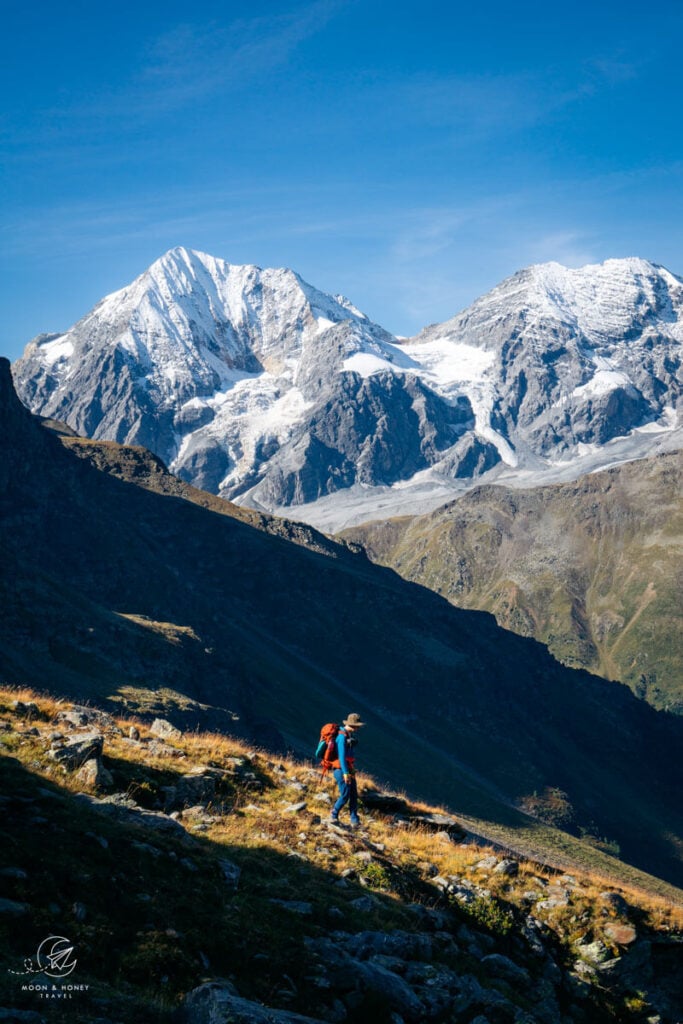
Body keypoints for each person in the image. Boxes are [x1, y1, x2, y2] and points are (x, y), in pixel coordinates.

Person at [329, 713, 364, 827]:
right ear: (353, 725)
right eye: (358, 725)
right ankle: (333, 814)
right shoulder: (341, 737)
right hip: (341, 769)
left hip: (349, 768)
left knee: (353, 794)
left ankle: (355, 820)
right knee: (345, 794)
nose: (359, 728)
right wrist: (345, 773)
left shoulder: (348, 735)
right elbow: (342, 757)